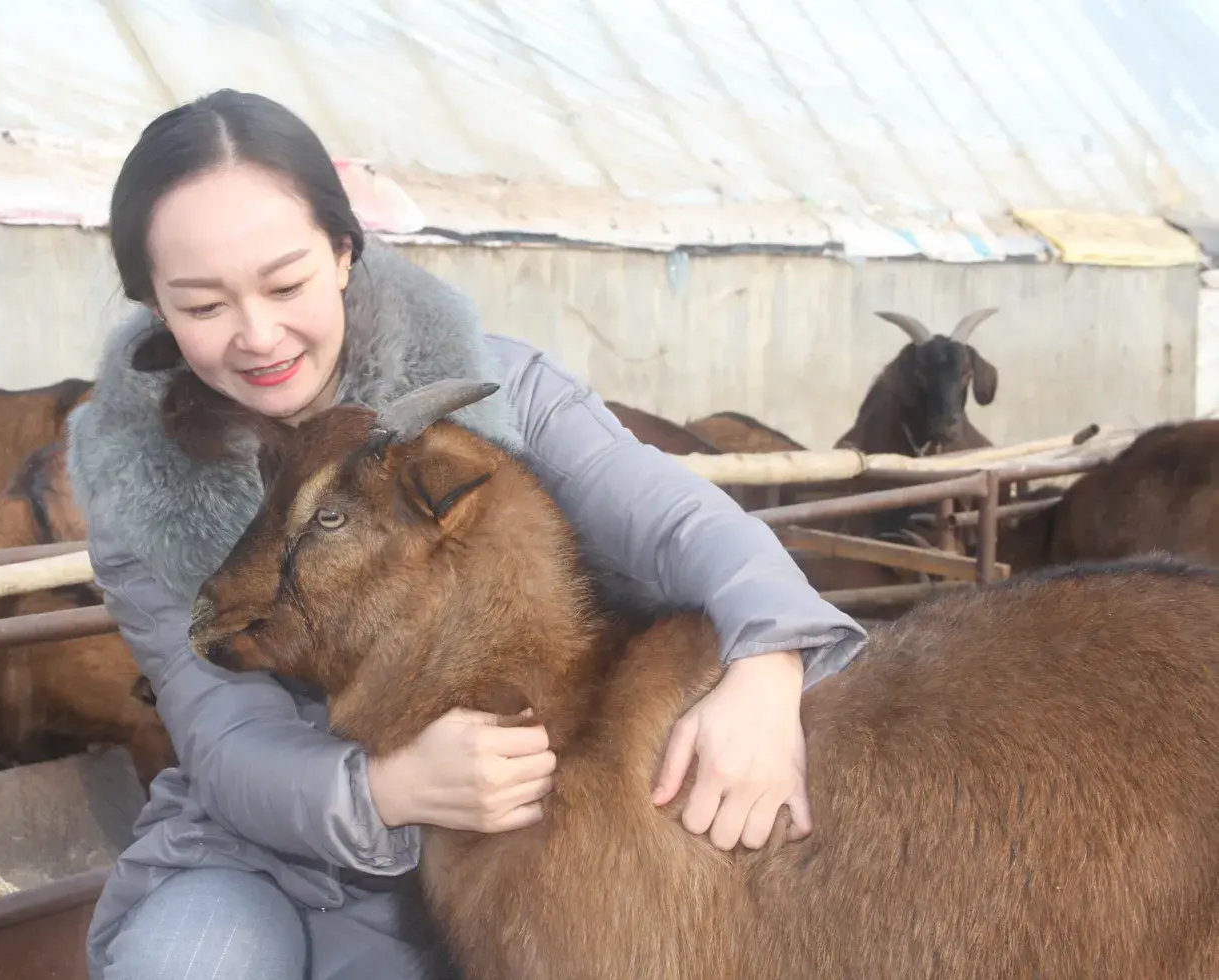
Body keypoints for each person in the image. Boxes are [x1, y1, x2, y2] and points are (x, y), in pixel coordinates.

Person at [66, 88, 868, 980]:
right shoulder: (140, 488)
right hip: (255, 852)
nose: (258, 335)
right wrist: (385, 790)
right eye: (203, 306)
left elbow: (679, 521)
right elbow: (224, 737)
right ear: (153, 306)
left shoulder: (494, 391)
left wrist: (767, 664)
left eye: (286, 282)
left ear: (342, 253)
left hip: (497, 838)